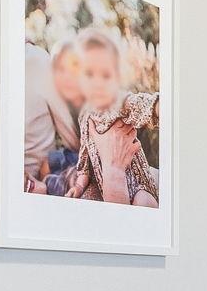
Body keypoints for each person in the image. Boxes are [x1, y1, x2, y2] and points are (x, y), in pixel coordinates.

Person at [62, 27, 160, 207]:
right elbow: (84, 156)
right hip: (105, 184)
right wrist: (79, 184)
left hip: (138, 185)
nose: (98, 83)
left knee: (143, 202)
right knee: (85, 200)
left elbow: (137, 105)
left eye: (105, 75)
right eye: (89, 74)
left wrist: (157, 107)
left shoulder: (118, 102)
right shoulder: (84, 114)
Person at [22, 38, 85, 194]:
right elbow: (72, 135)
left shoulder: (35, 60)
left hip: (42, 176)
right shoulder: (36, 59)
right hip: (43, 177)